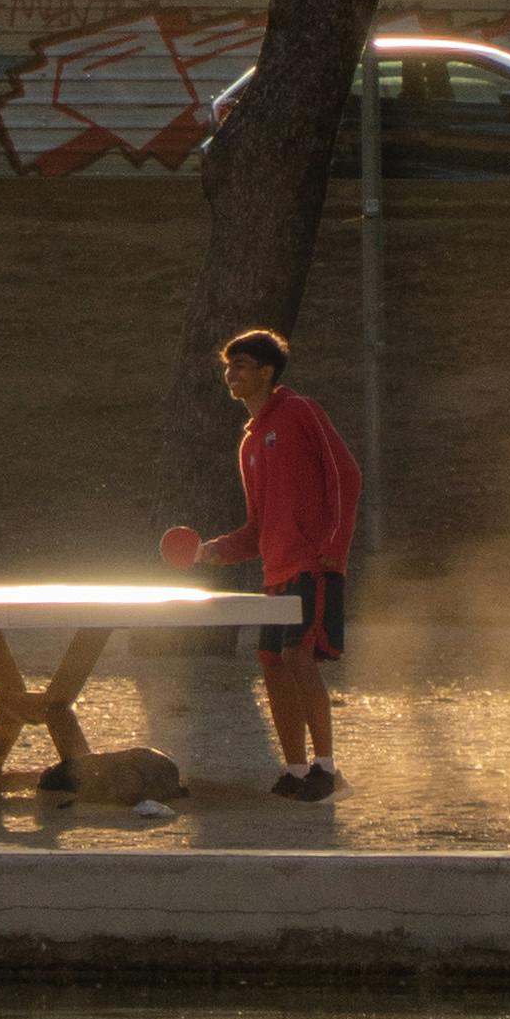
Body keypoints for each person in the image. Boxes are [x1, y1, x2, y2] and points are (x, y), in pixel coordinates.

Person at [162, 324, 359, 804]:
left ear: (268, 372)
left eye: (242, 366)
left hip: (312, 565)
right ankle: (295, 771)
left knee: (298, 658)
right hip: (277, 572)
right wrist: (216, 550)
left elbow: (345, 475)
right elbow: (257, 527)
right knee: (272, 664)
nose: (231, 374)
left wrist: (334, 544)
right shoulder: (249, 441)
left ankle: (327, 771)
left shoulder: (300, 412)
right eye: (229, 366)